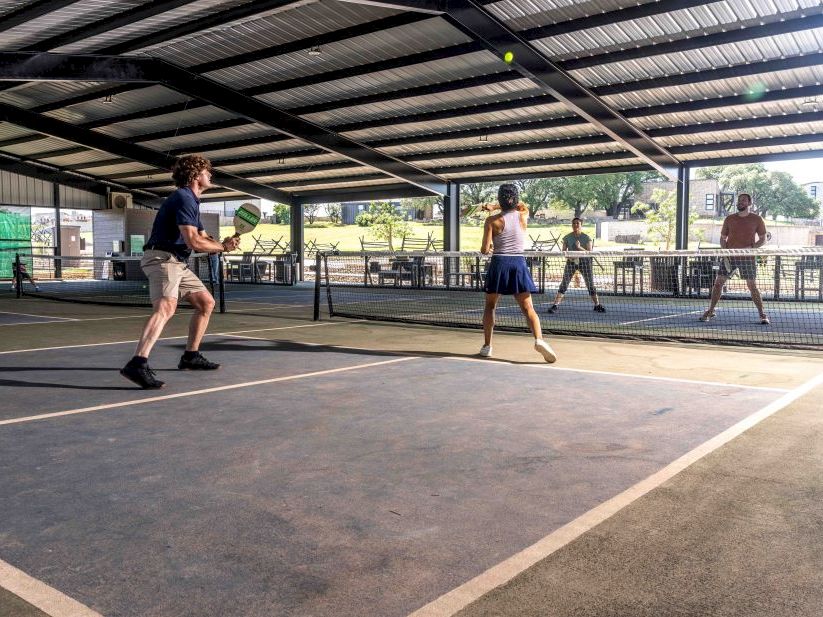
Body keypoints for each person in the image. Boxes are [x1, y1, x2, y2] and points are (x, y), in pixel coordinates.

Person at [120, 155, 240, 389]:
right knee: (166, 307)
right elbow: (194, 241)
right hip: (162, 259)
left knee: (206, 303)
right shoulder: (184, 197)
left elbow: (205, 238)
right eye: (207, 171)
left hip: (177, 262)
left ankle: (190, 356)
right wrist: (222, 247)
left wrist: (224, 243)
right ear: (196, 176)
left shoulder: (192, 201)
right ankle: (137, 362)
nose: (210, 175)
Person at [478, 183, 557, 363]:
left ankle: (487, 346)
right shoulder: (523, 216)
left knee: (490, 306)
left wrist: (492, 208)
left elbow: (484, 250)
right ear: (516, 198)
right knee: (528, 308)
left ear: (499, 199)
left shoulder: (491, 221)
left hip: (499, 263)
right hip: (518, 264)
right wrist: (497, 205)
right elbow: (520, 205)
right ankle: (539, 340)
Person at [699, 192, 769, 324]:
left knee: (752, 286)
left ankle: (762, 314)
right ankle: (711, 310)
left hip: (747, 258)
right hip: (730, 258)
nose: (740, 202)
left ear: (749, 203)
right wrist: (725, 252)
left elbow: (763, 239)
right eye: (739, 200)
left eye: (743, 200)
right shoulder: (729, 219)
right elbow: (722, 238)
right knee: (718, 283)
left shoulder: (757, 219)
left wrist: (751, 248)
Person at [547, 218, 605, 313]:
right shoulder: (567, 238)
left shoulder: (586, 238)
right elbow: (564, 252)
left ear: (581, 225)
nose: (575, 225)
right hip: (571, 262)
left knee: (590, 284)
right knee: (564, 283)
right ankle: (555, 305)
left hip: (585, 263)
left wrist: (579, 247)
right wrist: (570, 258)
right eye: (573, 223)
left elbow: (589, 253)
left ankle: (597, 305)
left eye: (577, 223)